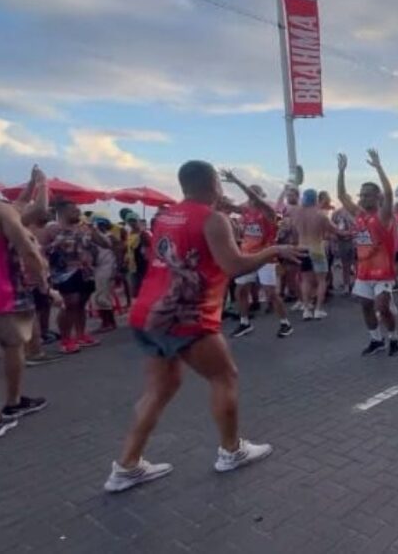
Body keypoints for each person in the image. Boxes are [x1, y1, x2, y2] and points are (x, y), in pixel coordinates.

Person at [104, 161, 302, 492]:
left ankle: (126, 466)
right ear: (214, 185)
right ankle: (231, 450)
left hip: (148, 312)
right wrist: (274, 250)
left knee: (159, 390)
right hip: (186, 314)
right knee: (224, 377)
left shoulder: (165, 216)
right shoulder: (213, 219)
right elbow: (234, 266)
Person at [0, 176, 50, 440]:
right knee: (14, 346)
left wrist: (34, 184)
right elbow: (28, 250)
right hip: (0, 294)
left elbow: (24, 205)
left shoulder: (2, 207)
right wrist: (44, 282)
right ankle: (13, 401)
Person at [337, 150, 398, 356]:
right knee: (365, 306)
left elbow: (390, 194)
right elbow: (341, 196)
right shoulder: (359, 215)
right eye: (361, 195)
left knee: (382, 307)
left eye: (367, 195)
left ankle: (394, 337)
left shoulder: (383, 216)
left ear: (376, 197)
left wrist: (379, 167)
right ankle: (376, 340)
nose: (363, 198)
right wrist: (341, 171)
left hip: (383, 271)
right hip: (364, 270)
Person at [228, 172, 293, 339]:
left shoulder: (268, 212)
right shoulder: (246, 211)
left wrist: (236, 180)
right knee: (240, 290)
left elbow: (254, 198)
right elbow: (230, 208)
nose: (249, 199)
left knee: (271, 293)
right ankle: (244, 322)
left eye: (252, 195)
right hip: (247, 257)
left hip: (265, 257)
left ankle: (285, 323)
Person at [43, 200, 109, 354]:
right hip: (64, 273)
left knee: (81, 304)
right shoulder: (52, 228)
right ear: (63, 211)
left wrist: (94, 231)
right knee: (70, 303)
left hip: (85, 271)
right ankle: (65, 339)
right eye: (74, 210)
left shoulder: (85, 228)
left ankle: (81, 335)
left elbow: (105, 244)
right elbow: (41, 248)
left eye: (78, 209)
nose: (78, 212)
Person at [291, 188, 336, 320]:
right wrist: (347, 233)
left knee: (305, 280)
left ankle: (306, 309)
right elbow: (334, 230)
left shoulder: (296, 213)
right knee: (321, 280)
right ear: (315, 199)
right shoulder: (320, 215)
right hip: (316, 248)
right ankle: (318, 309)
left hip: (302, 248)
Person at [330, 204, 357, 296]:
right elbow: (333, 228)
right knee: (347, 265)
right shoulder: (337, 213)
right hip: (344, 241)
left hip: (354, 241)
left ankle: (353, 286)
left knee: (355, 265)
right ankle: (347, 285)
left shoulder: (355, 211)